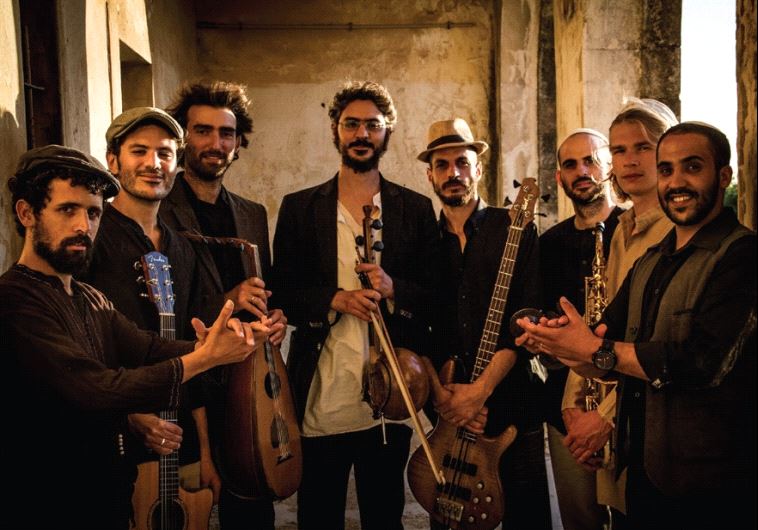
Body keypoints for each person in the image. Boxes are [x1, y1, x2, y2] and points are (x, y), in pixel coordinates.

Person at [1, 145, 264, 529]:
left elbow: (148, 348)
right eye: (67, 210)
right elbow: (98, 389)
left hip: (105, 500)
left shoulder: (89, 297)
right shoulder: (14, 299)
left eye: (93, 213)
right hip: (45, 505)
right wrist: (203, 358)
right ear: (27, 213)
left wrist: (215, 344)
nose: (83, 226)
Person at [518, 122, 756, 530]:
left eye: (692, 167)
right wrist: (557, 340)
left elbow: (701, 362)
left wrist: (595, 351)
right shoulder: (651, 261)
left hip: (713, 485)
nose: (676, 182)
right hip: (643, 476)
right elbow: (603, 340)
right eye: (666, 170)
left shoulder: (742, 254)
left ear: (723, 176)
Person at [272, 80, 437, 530]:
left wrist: (394, 289)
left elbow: (435, 296)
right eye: (351, 124)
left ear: (387, 132)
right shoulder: (300, 208)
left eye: (372, 125)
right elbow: (281, 290)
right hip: (322, 394)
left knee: (384, 517)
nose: (362, 134)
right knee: (318, 517)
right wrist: (335, 298)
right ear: (335, 130)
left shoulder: (415, 209)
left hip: (390, 400)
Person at [160, 81, 286, 529]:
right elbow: (159, 308)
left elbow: (266, 290)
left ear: (238, 143)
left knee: (252, 507)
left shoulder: (253, 213)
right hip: (187, 384)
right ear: (183, 138)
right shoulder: (159, 208)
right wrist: (227, 301)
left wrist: (276, 318)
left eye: (226, 133)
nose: (216, 143)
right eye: (203, 131)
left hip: (247, 381)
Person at [80, 107, 219, 501]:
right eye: (139, 151)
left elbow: (196, 352)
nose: (153, 164)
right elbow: (76, 348)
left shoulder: (183, 247)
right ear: (113, 162)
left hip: (181, 442)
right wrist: (128, 414)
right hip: (112, 440)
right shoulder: (90, 238)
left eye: (165, 153)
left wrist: (206, 453)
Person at [420, 118, 550, 529]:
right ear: (430, 175)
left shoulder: (515, 228)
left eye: (462, 162)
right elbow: (417, 329)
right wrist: (445, 399)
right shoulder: (423, 244)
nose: (453, 173)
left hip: (514, 406)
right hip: (448, 413)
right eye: (442, 165)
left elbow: (526, 320)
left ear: (478, 169)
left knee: (527, 519)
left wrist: (480, 392)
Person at [561, 98, 677, 518]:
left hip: (654, 424)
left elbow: (663, 346)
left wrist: (604, 419)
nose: (629, 160)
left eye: (643, 147)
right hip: (610, 412)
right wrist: (573, 406)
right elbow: (599, 325)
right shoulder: (620, 230)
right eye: (619, 150)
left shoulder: (678, 232)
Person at [540, 128, 624, 530]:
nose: (582, 171)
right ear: (560, 177)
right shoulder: (548, 244)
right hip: (568, 414)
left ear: (609, 165)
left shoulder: (634, 228)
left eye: (590, 160)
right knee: (580, 522)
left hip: (625, 406)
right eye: (571, 164)